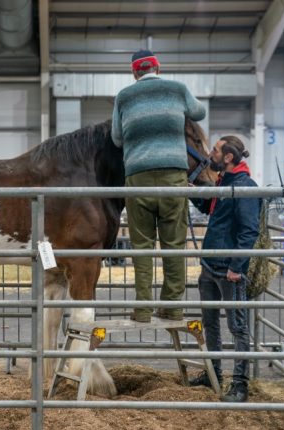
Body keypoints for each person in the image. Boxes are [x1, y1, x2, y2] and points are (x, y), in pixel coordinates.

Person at [111, 49, 206, 323]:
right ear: (158, 68)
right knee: (174, 244)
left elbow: (117, 138)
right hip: (173, 178)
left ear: (134, 72)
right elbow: (199, 112)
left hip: (138, 178)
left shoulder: (124, 97)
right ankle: (173, 306)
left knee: (142, 246)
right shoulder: (177, 89)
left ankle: (142, 309)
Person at [189, 136, 260, 403]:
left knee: (237, 326)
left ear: (228, 157)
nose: (211, 154)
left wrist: (236, 267)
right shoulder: (223, 182)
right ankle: (214, 373)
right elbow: (211, 208)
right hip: (210, 266)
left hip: (229, 271)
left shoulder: (245, 187)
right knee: (210, 323)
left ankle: (240, 385)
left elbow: (249, 230)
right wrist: (192, 192)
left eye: (216, 150)